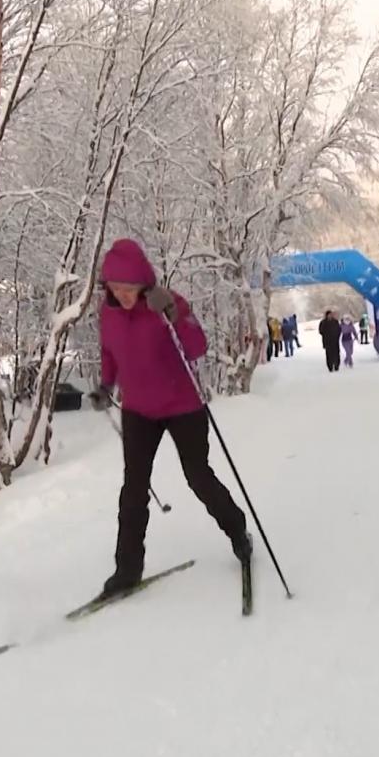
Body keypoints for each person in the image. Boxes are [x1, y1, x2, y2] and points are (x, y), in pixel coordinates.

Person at [89, 239, 251, 597]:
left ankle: (238, 531)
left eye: (129, 289)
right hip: (138, 411)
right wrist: (105, 385)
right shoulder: (109, 313)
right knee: (133, 490)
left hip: (183, 406)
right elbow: (109, 353)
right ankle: (126, 571)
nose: (123, 295)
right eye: (116, 289)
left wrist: (176, 318)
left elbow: (197, 347)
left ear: (143, 284)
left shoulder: (167, 304)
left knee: (198, 477)